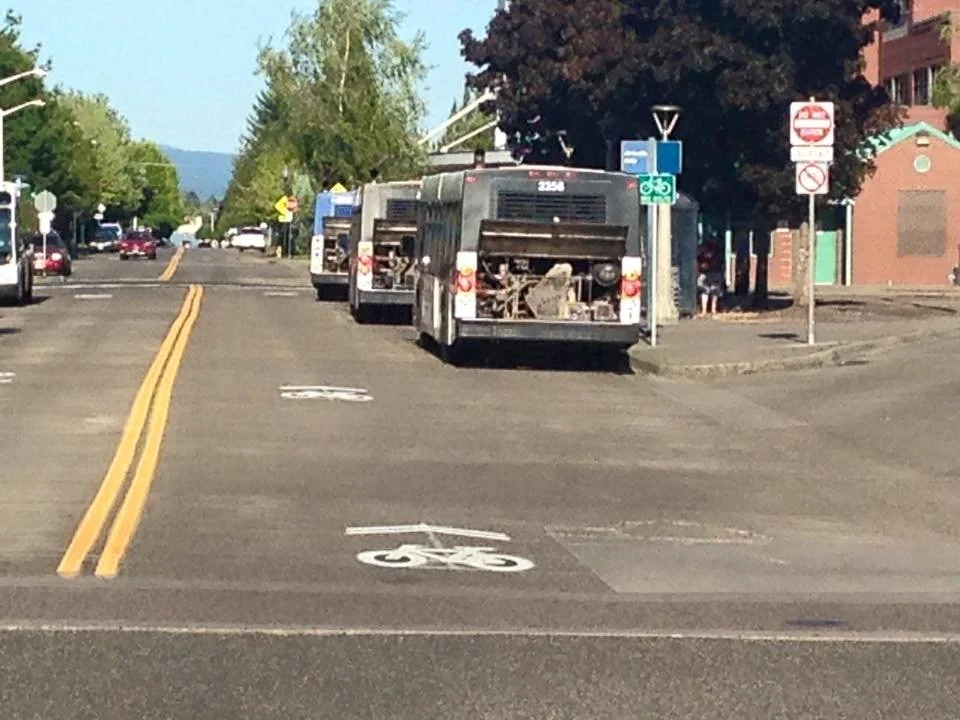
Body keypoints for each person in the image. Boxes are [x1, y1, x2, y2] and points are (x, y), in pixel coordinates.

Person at [697, 239, 724, 315]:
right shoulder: (718, 254)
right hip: (713, 273)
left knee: (706, 291)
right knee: (714, 291)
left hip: (707, 273)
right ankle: (712, 309)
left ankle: (705, 310)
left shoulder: (701, 254)